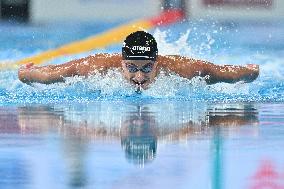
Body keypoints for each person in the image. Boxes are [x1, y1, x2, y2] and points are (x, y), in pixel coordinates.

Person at [18, 31, 259, 91]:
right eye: (131, 68)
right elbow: (50, 74)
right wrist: (26, 73)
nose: (140, 77)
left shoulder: (183, 69)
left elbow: (223, 72)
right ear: (121, 62)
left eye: (147, 68)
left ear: (157, 62)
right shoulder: (97, 66)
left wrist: (250, 72)